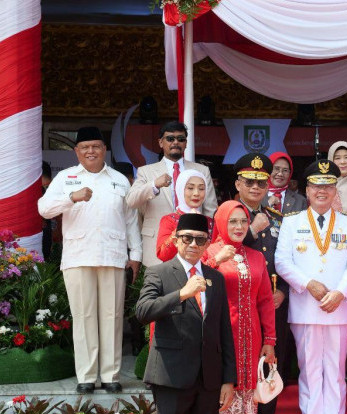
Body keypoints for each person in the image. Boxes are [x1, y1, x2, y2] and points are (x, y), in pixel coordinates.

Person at [135, 213, 236, 414]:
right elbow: (142, 312)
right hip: (170, 375)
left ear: (207, 244)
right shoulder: (159, 273)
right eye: (187, 238)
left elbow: (222, 330)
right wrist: (181, 293)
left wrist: (228, 379)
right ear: (176, 240)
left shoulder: (215, 278)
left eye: (200, 239)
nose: (193, 244)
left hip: (208, 378)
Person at [38, 126, 141, 394]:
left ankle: (110, 375)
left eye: (96, 146)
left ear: (104, 150)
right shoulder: (65, 178)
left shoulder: (119, 179)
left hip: (113, 255)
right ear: (77, 152)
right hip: (78, 256)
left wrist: (136, 255)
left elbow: (131, 221)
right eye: (85, 147)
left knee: (112, 315)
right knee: (83, 316)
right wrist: (71, 197)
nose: (91, 151)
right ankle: (86, 375)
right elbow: (43, 208)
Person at [275, 159, 347, 414]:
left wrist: (340, 293)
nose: (322, 191)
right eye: (316, 185)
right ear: (307, 190)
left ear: (335, 189)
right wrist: (307, 283)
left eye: (328, 185)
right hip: (305, 307)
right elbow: (282, 262)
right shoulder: (291, 221)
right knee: (309, 368)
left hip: (339, 307)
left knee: (336, 371)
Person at [203, 201, 276, 414]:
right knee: (224, 404)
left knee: (248, 406)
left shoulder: (257, 257)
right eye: (231, 221)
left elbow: (265, 301)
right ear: (221, 222)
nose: (237, 227)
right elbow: (195, 285)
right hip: (222, 338)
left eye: (242, 221)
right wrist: (216, 261)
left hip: (252, 338)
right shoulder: (209, 253)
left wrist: (270, 340)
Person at [231, 153, 288, 414]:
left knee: (270, 363)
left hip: (273, 303)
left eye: (261, 182)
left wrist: (285, 291)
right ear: (238, 182)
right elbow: (223, 252)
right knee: (238, 365)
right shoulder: (227, 216)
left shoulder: (278, 219)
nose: (255, 186)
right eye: (250, 181)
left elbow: (291, 259)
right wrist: (251, 230)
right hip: (239, 304)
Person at [126, 121, 218, 267]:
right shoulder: (146, 171)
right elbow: (131, 201)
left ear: (186, 143)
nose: (175, 142)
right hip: (157, 246)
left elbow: (211, 211)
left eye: (180, 139)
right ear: (160, 142)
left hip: (194, 247)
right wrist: (154, 185)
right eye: (170, 139)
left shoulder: (201, 171)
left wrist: (207, 245)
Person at [155, 170, 214, 262]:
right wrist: (185, 224)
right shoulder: (169, 220)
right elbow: (163, 255)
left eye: (201, 189)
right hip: (176, 274)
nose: (196, 193)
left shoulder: (210, 222)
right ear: (180, 189)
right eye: (190, 188)